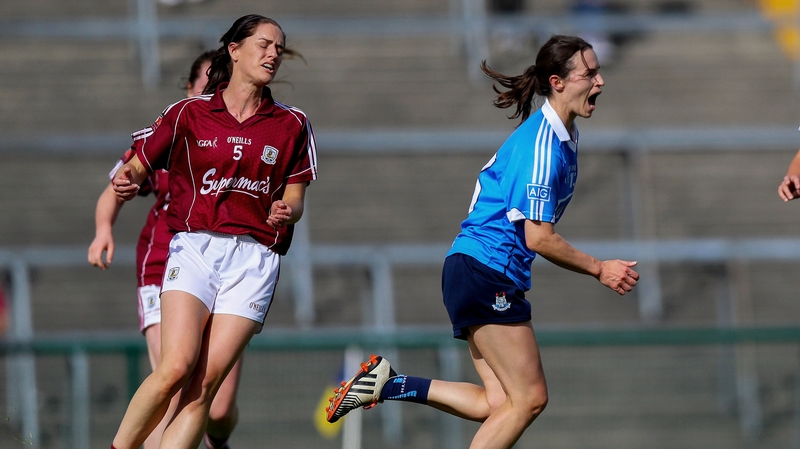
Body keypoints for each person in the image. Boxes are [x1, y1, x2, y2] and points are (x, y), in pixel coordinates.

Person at [326, 35, 638, 449]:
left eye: (599, 71)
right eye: (590, 74)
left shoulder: (562, 134)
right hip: (486, 270)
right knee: (529, 399)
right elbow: (540, 238)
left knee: (498, 402)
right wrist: (600, 268)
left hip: (472, 269)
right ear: (557, 82)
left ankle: (390, 384)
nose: (600, 81)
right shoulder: (543, 146)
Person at [108, 14, 317, 449]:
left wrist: (287, 210)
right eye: (263, 45)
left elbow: (296, 197)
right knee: (174, 369)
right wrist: (126, 178)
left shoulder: (292, 123)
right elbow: (137, 164)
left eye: (279, 47)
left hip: (255, 259)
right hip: (196, 249)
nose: (273, 54)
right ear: (234, 50)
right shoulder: (189, 113)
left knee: (205, 390)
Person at [88, 50, 243, 449]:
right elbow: (115, 190)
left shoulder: (243, 142)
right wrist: (104, 228)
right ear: (188, 89)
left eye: (221, 86)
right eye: (206, 85)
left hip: (227, 270)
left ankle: (217, 441)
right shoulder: (173, 133)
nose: (213, 93)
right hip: (165, 267)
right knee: (174, 381)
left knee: (219, 408)